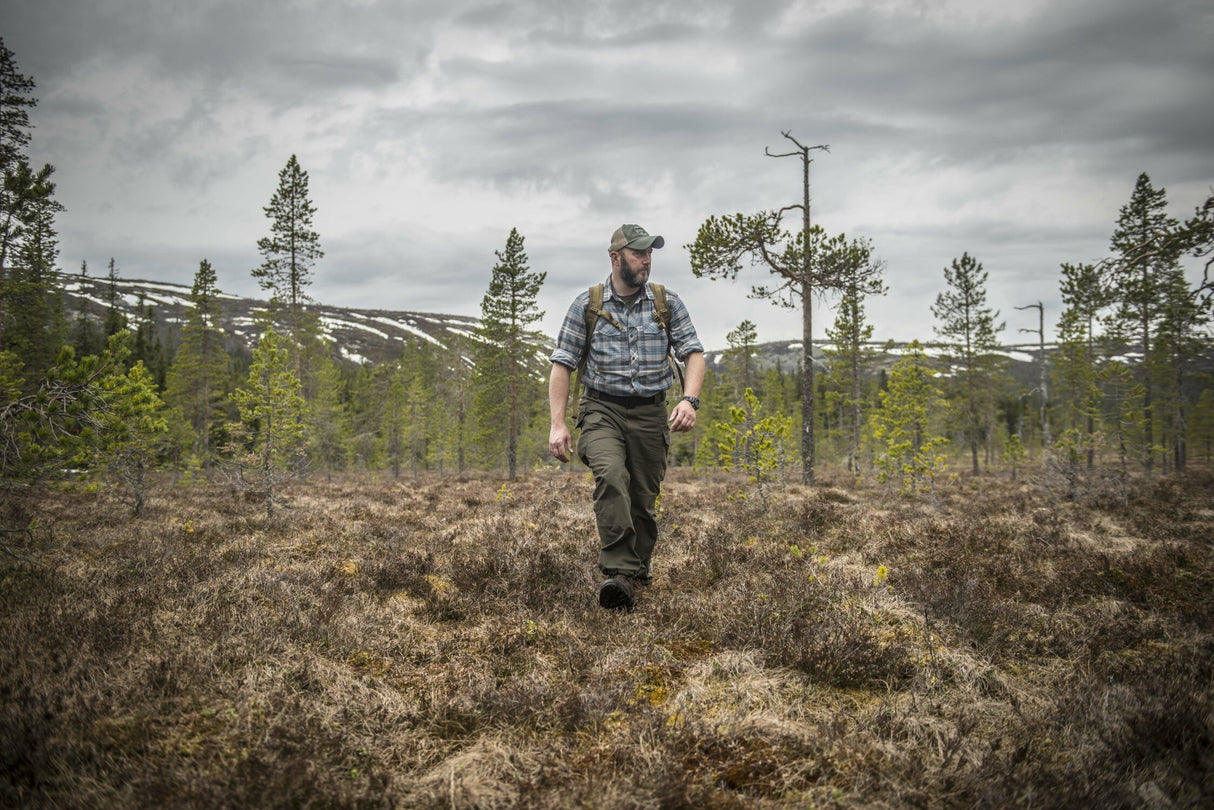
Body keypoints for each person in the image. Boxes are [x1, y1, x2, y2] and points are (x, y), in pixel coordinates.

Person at [548, 224, 705, 611]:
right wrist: (558, 422)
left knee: (643, 499)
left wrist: (689, 400)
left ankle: (635, 571)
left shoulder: (667, 302)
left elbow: (694, 353)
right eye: (638, 253)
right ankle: (617, 572)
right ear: (616, 257)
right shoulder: (587, 305)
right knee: (612, 476)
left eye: (650, 253)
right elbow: (563, 364)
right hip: (602, 409)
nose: (647, 260)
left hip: (652, 412)